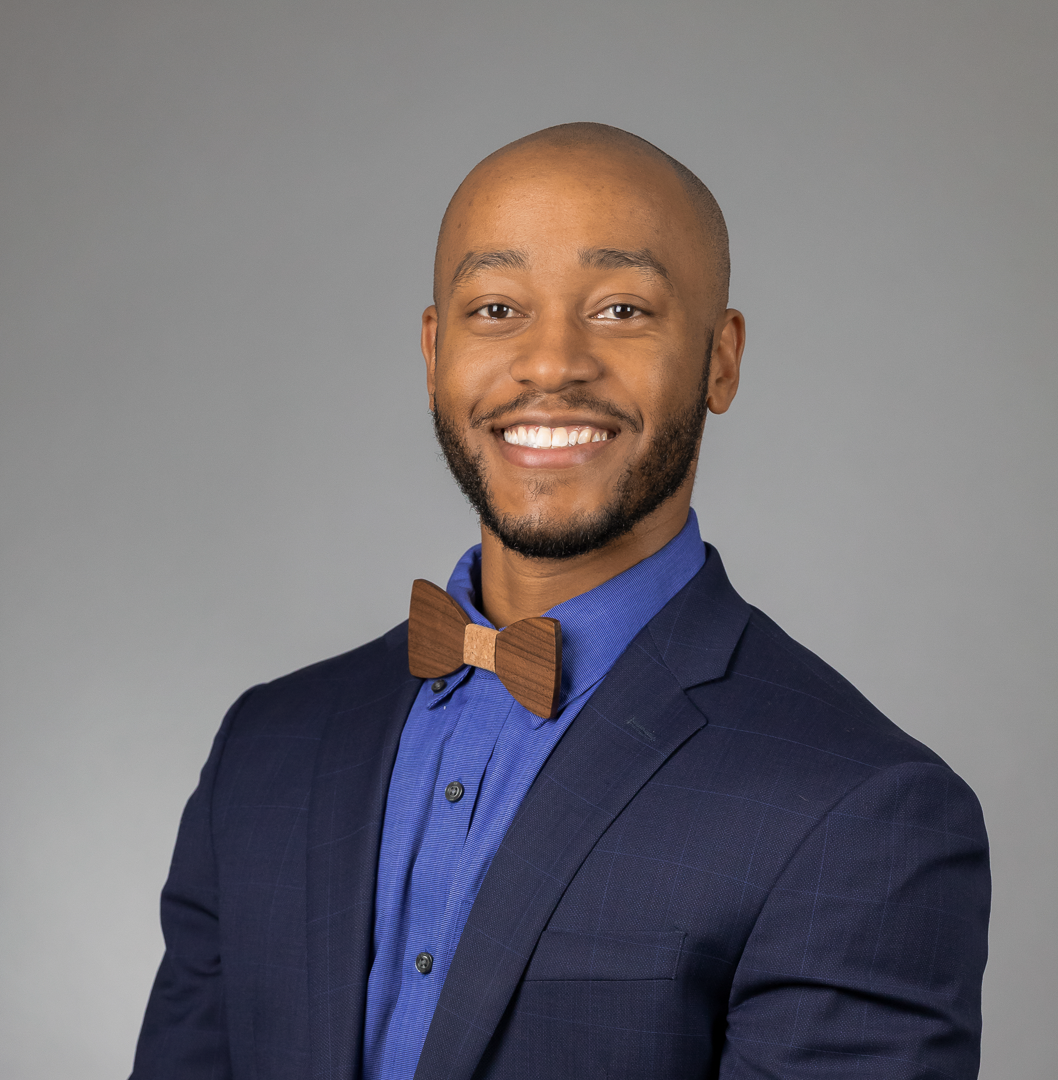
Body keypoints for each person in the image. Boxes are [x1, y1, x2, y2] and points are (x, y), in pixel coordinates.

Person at [131, 123, 990, 1080]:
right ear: (433, 351)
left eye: (622, 309)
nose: (550, 363)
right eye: (496, 308)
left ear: (721, 360)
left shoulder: (862, 811)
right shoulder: (264, 747)